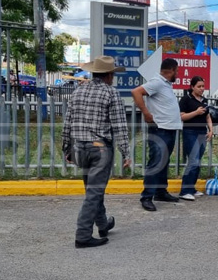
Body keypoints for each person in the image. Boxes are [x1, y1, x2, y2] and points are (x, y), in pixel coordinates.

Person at [61, 55, 131, 248]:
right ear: (109, 75)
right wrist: (126, 152)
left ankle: (103, 224)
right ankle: (82, 235)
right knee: (93, 193)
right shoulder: (111, 93)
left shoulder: (78, 91)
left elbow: (67, 121)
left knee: (93, 189)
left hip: (78, 147)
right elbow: (119, 126)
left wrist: (66, 147)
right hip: (99, 148)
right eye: (113, 75)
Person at [132, 58, 183, 212]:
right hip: (160, 130)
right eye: (177, 71)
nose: (178, 74)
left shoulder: (166, 84)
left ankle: (161, 192)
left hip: (168, 129)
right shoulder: (158, 82)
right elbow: (136, 92)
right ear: (172, 70)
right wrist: (146, 113)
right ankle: (147, 197)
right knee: (155, 163)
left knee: (164, 162)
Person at [178, 76, 214, 201]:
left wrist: (211, 130)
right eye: (199, 86)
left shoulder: (204, 100)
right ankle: (184, 190)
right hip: (190, 132)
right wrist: (195, 113)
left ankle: (191, 188)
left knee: (198, 161)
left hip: (202, 132)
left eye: (203, 86)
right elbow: (181, 116)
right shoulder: (186, 99)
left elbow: (208, 116)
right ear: (192, 87)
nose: (201, 89)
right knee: (193, 160)